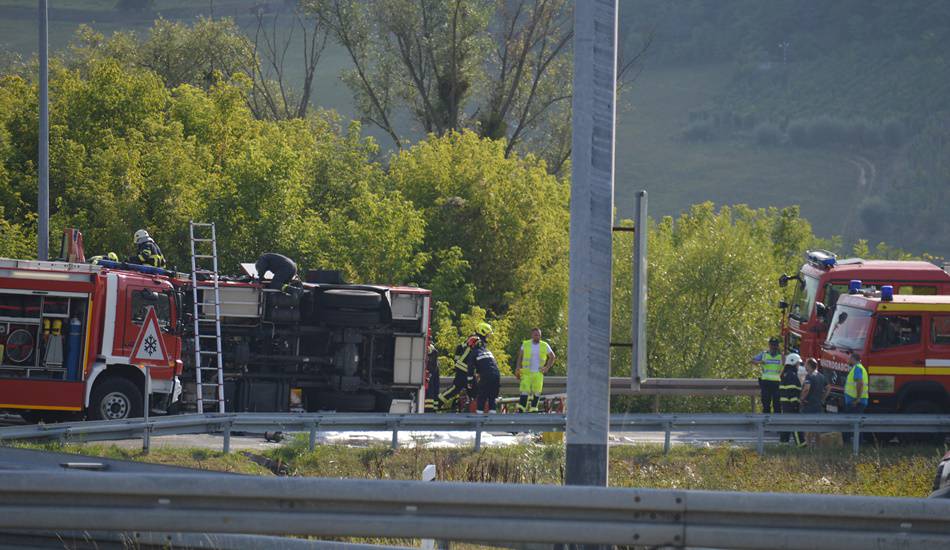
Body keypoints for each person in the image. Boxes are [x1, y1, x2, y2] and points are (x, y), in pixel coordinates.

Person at [461, 322, 500, 414]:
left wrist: (470, 382)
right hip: (497, 376)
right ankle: (492, 422)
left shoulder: (473, 353)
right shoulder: (487, 351)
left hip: (486, 376)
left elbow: (470, 370)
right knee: (492, 399)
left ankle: (478, 423)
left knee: (481, 398)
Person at [514, 328, 555, 412]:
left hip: (538, 372)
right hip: (526, 372)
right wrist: (518, 367)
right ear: (532, 335)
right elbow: (520, 356)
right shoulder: (526, 344)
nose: (537, 336)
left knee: (537, 391)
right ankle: (522, 408)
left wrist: (547, 367)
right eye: (536, 334)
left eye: (539, 335)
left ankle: (533, 408)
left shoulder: (544, 345)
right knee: (524, 390)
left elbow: (552, 356)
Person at [799, 358, 829, 447]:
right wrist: (823, 398)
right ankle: (818, 447)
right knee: (817, 428)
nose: (805, 366)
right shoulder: (821, 376)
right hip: (818, 405)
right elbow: (828, 388)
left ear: (809, 365)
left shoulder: (809, 376)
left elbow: (807, 389)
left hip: (809, 405)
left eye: (806, 364)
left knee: (808, 427)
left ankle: (808, 446)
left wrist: (801, 399)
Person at [842, 351, 868, 443]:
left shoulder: (857, 368)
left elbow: (860, 383)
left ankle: (852, 444)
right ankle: (857, 443)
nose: (848, 360)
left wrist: (857, 399)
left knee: (850, 424)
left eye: (849, 358)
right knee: (856, 424)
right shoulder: (859, 368)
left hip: (855, 402)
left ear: (853, 359)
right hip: (857, 401)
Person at [751, 337, 783, 414]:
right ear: (769, 345)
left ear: (778, 346)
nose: (774, 347)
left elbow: (785, 365)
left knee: (777, 405)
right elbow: (753, 360)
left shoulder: (782, 356)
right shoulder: (764, 354)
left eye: (775, 345)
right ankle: (766, 423)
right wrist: (760, 362)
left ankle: (776, 423)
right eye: (772, 345)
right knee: (766, 404)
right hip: (766, 382)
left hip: (776, 383)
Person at [778, 353, 804, 446]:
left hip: (786, 405)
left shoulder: (786, 374)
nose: (798, 366)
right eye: (798, 364)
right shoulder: (791, 375)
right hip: (791, 406)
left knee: (786, 425)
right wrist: (795, 405)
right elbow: (792, 392)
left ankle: (783, 445)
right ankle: (801, 445)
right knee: (795, 425)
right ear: (793, 363)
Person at [424, 344, 441, 413]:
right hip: (433, 373)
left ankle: (429, 409)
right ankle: (433, 409)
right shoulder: (433, 349)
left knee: (430, 390)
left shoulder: (429, 348)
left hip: (430, 373)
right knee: (433, 390)